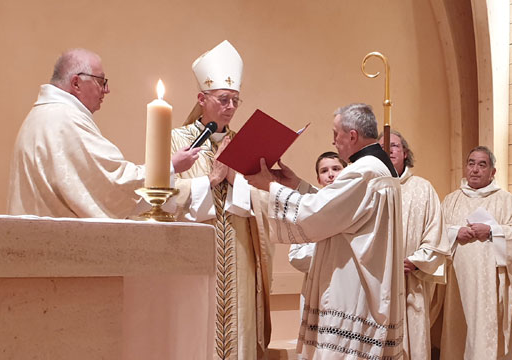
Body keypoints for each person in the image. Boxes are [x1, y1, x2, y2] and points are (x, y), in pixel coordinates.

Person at [245, 103, 404, 360]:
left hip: (353, 286)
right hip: (367, 282)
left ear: (352, 135)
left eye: (336, 133)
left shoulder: (363, 171)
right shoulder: (379, 167)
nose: (333, 140)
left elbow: (316, 215)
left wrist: (271, 186)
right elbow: (339, 211)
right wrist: (297, 185)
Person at [167, 40, 274, 360]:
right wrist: (210, 180)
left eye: (235, 101)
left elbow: (264, 204)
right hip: (195, 255)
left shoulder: (247, 144)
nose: (230, 107)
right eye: (223, 99)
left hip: (240, 256)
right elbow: (163, 197)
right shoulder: (176, 140)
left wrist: (234, 179)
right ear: (202, 99)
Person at [8, 48, 199, 218]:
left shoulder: (42, 114)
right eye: (101, 81)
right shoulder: (65, 120)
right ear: (76, 83)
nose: (106, 90)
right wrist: (170, 167)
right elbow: (113, 181)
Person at [438, 146, 512, 360]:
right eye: (471, 163)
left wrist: (492, 230)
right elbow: (435, 233)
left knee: (487, 333)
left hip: (491, 285)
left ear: (492, 172)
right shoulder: (451, 200)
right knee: (459, 333)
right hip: (458, 283)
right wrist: (455, 232)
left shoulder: (506, 201)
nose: (475, 169)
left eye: (482, 165)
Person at [382, 130, 451, 360]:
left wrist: (415, 261)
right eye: (383, 147)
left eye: (394, 146)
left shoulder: (423, 188)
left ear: (405, 153)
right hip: (376, 283)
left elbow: (436, 234)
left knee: (414, 343)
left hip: (411, 281)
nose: (389, 150)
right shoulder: (370, 187)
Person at [286, 151, 346, 314]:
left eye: (336, 168)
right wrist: (330, 246)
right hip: (319, 289)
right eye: (324, 171)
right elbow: (295, 257)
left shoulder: (358, 205)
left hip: (349, 288)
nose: (331, 175)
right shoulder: (308, 210)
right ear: (319, 179)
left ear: (346, 172)